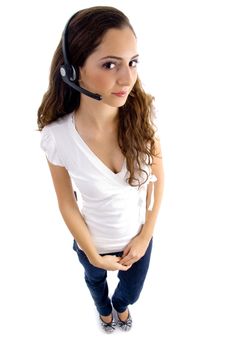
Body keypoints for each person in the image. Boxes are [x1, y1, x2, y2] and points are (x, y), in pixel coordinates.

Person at [37, 6, 164, 333]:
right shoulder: (58, 138)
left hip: (137, 241)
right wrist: (92, 254)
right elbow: (66, 202)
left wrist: (146, 234)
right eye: (110, 64)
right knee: (95, 283)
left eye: (133, 62)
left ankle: (120, 305)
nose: (127, 78)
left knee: (130, 293)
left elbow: (157, 177)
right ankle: (103, 310)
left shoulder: (143, 115)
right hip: (90, 242)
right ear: (72, 70)